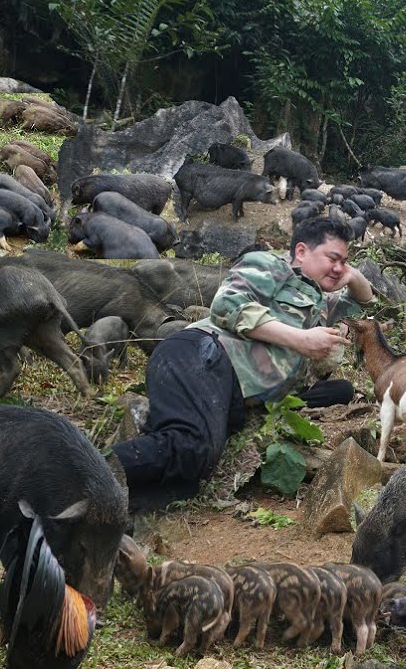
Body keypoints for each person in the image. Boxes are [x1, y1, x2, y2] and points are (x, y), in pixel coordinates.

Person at [113, 217, 374, 512]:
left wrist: (351, 274)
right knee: (189, 445)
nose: (339, 267)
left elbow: (365, 302)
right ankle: (77, 470)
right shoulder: (271, 264)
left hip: (229, 388)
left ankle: (102, 507)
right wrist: (301, 339)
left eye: (344, 261)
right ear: (301, 252)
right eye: (333, 258)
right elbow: (227, 304)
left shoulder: (319, 301)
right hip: (203, 353)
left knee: (189, 476)